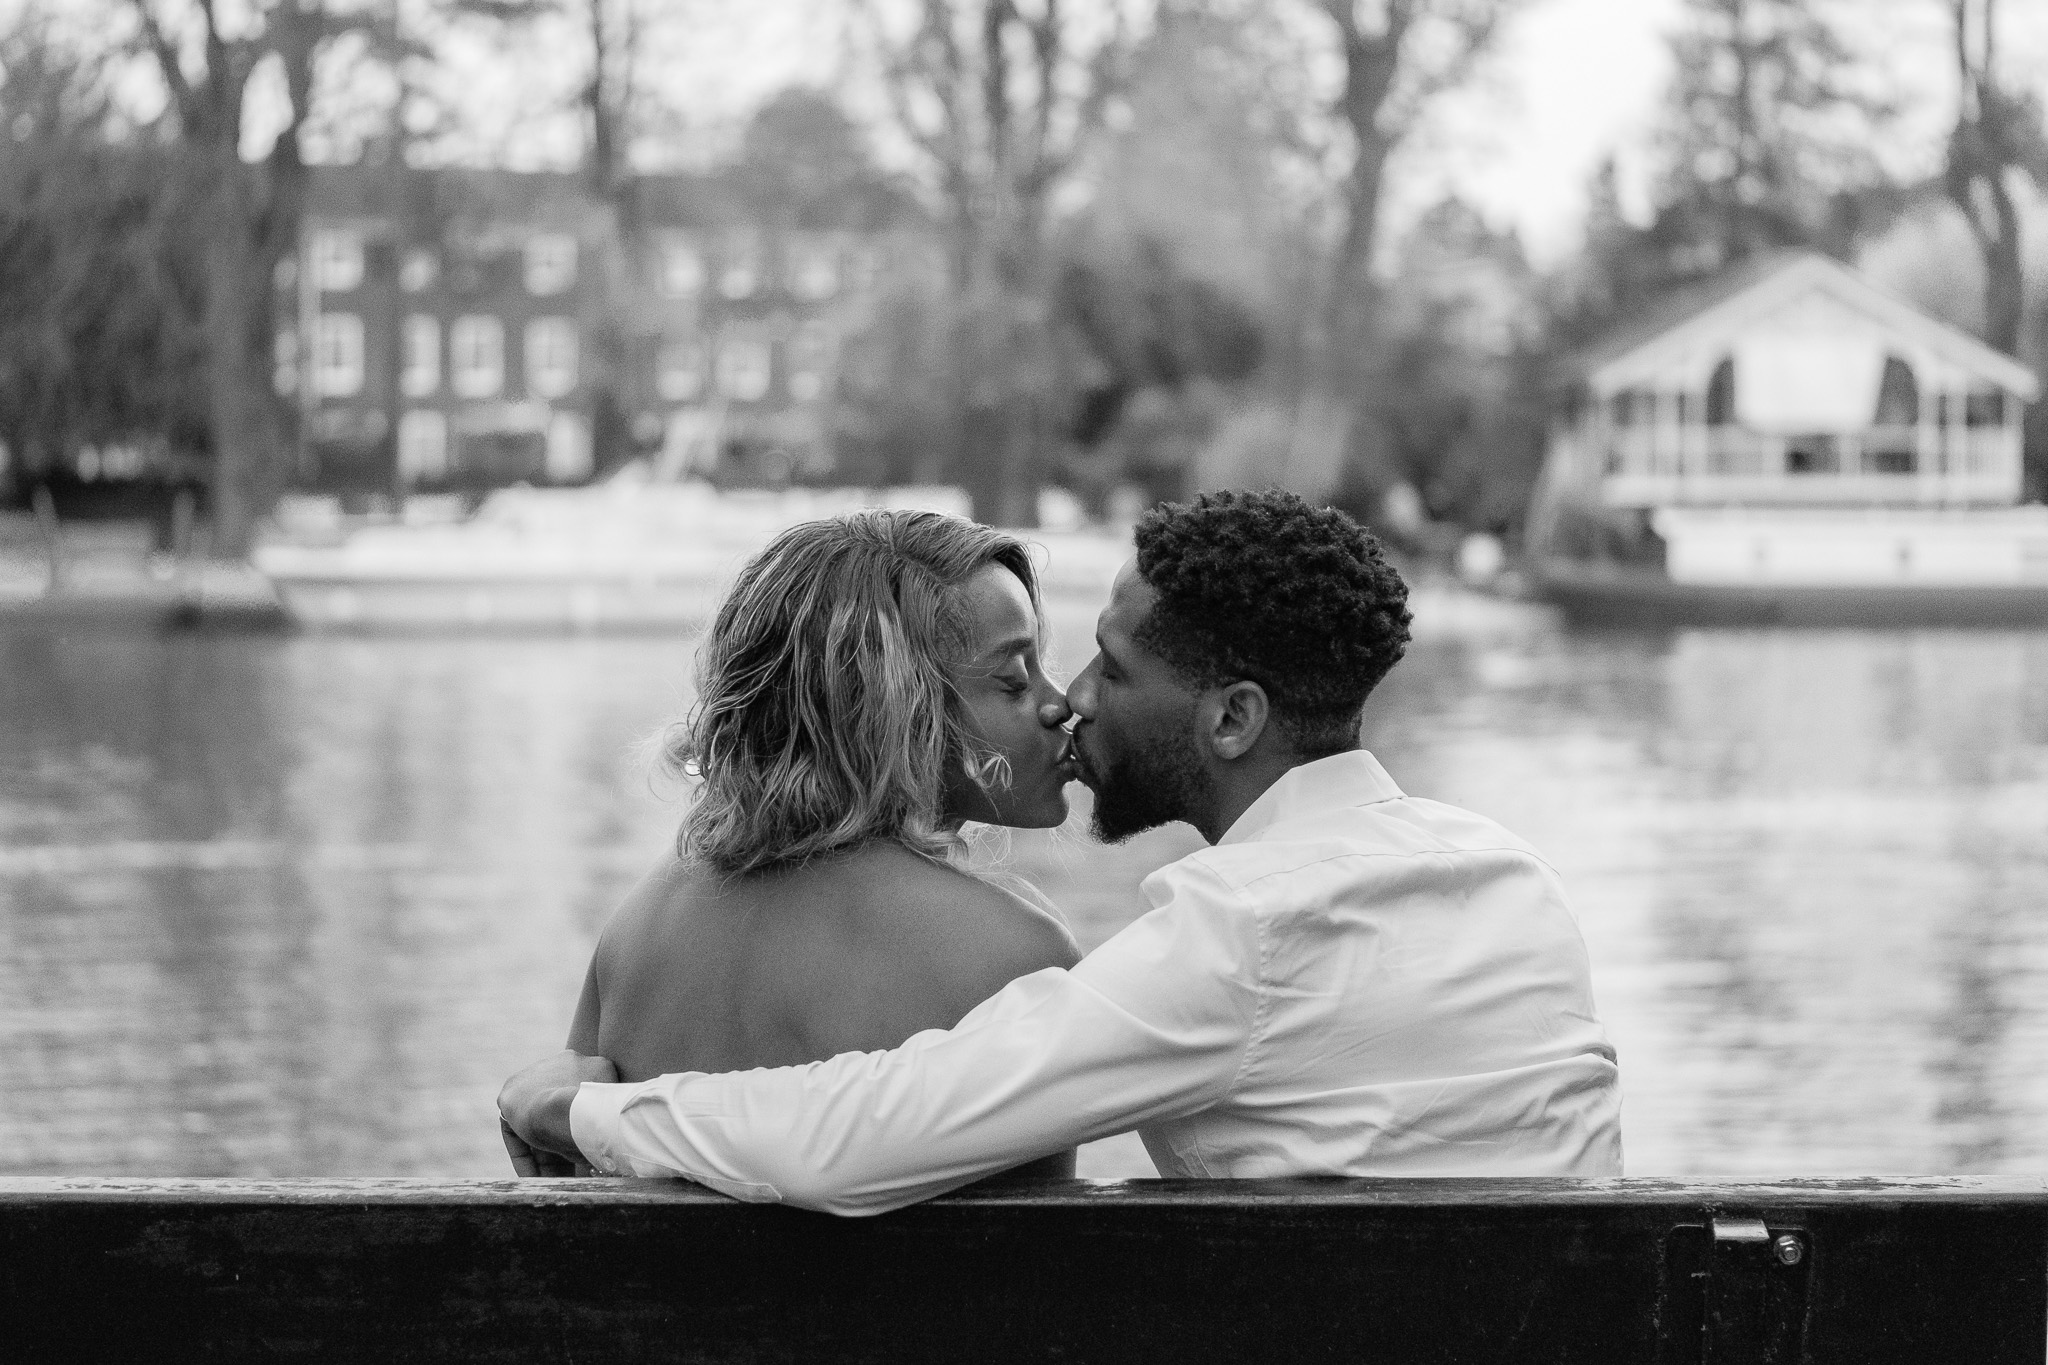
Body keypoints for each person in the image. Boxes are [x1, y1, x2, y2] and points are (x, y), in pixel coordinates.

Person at [501, 489, 1624, 1213]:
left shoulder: (1237, 941)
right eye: (1022, 673)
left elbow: (852, 1140)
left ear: (1230, 720)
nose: (1070, 706)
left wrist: (572, 1110)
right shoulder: (1515, 883)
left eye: (1107, 669)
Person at [501, 510, 1082, 1179]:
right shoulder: (1017, 956)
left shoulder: (636, 932)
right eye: (1014, 677)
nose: (1058, 701)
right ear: (898, 709)